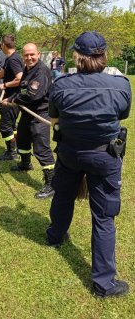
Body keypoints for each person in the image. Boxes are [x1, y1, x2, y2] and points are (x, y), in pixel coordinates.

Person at [46, 31, 132, 298]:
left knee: (63, 196)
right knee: (103, 216)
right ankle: (104, 284)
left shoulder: (61, 85)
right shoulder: (121, 86)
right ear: (104, 55)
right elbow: (122, 114)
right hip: (103, 156)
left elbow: (54, 115)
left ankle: (55, 236)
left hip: (71, 153)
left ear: (77, 56)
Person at [2, 43, 55, 198]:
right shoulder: (27, 69)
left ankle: (51, 184)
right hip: (27, 113)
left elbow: (33, 95)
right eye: (26, 55)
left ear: (38, 54)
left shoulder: (41, 71)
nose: (29, 58)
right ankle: (25, 164)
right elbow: (22, 89)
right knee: (23, 140)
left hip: (40, 114)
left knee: (41, 148)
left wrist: (14, 100)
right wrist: (11, 97)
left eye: (32, 54)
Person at [0, 34, 24, 160]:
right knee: (11, 125)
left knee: (5, 127)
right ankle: (16, 146)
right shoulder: (9, 58)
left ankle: (12, 152)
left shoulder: (14, 59)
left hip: (12, 97)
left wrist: (4, 85)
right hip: (10, 96)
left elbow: (19, 79)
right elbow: (3, 72)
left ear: (3, 45)